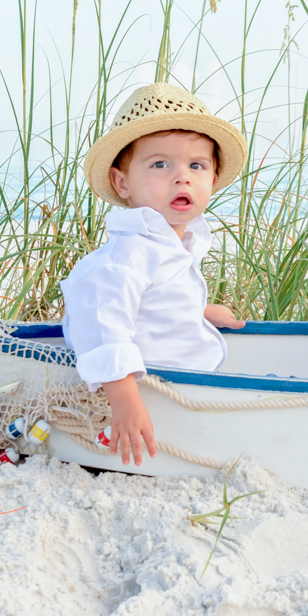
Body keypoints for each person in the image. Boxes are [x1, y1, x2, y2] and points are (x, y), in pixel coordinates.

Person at [59, 82, 247, 465]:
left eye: (197, 165)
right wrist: (125, 400)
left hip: (183, 376)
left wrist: (199, 310)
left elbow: (152, 300)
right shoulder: (130, 252)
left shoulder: (176, 242)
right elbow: (104, 320)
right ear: (122, 183)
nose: (182, 177)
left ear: (212, 179)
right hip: (150, 389)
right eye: (160, 164)